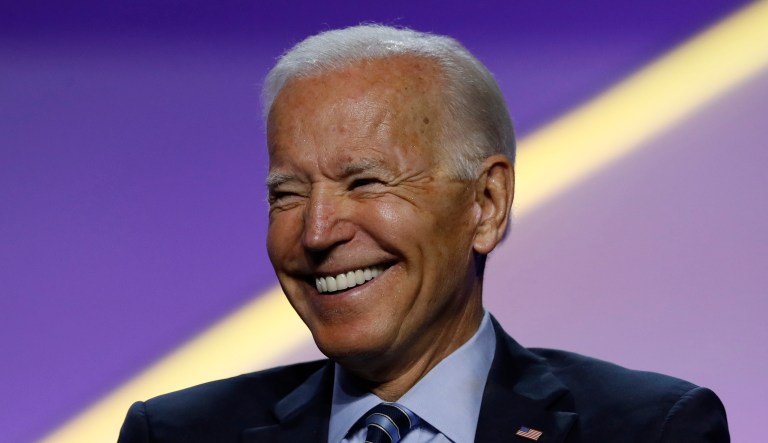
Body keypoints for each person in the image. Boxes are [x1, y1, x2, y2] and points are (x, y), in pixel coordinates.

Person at [118, 25, 729, 442]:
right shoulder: (176, 433)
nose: (316, 231)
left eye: (365, 182)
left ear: (486, 204)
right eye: (288, 193)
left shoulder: (648, 429)